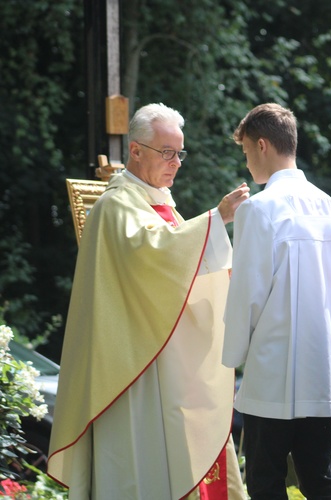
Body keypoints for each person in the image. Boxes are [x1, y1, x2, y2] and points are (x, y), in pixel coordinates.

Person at [48, 103, 248, 499]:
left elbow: (177, 271)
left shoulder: (161, 204)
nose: (176, 163)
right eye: (167, 153)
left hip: (168, 361)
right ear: (136, 151)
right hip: (132, 367)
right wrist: (216, 218)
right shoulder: (116, 205)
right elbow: (153, 257)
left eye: (180, 154)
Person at [222, 103, 331, 500]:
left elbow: (247, 294)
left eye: (246, 152)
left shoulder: (259, 210)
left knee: (265, 480)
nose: (246, 163)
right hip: (321, 370)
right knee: (319, 478)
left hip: (272, 371)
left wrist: (230, 360)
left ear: (262, 145)